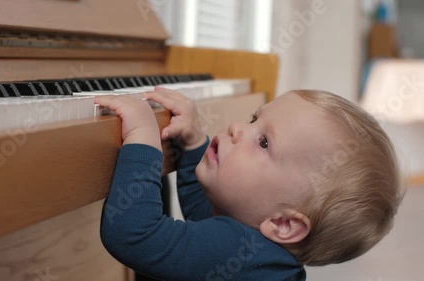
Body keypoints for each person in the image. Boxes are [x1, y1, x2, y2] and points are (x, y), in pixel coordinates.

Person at [96, 87, 404, 281]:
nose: (236, 128)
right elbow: (205, 215)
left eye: (264, 142)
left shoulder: (241, 257)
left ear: (284, 224)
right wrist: (193, 145)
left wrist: (143, 137)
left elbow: (133, 235)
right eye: (253, 119)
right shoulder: (257, 249)